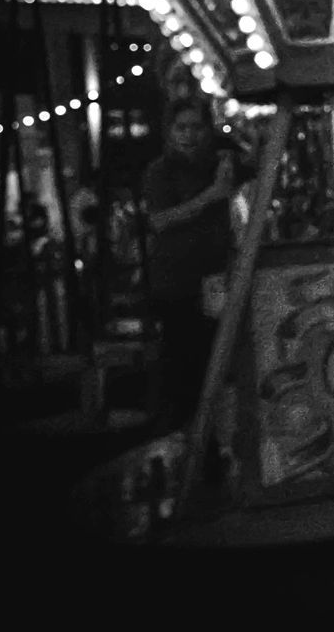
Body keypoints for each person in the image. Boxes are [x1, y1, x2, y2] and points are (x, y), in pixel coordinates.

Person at [141, 97, 241, 431]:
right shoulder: (160, 171)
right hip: (178, 282)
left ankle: (209, 437)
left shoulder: (216, 165)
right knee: (184, 367)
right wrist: (211, 196)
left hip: (213, 278)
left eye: (196, 127)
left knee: (216, 360)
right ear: (169, 132)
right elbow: (160, 220)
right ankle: (185, 438)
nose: (189, 135)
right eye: (181, 127)